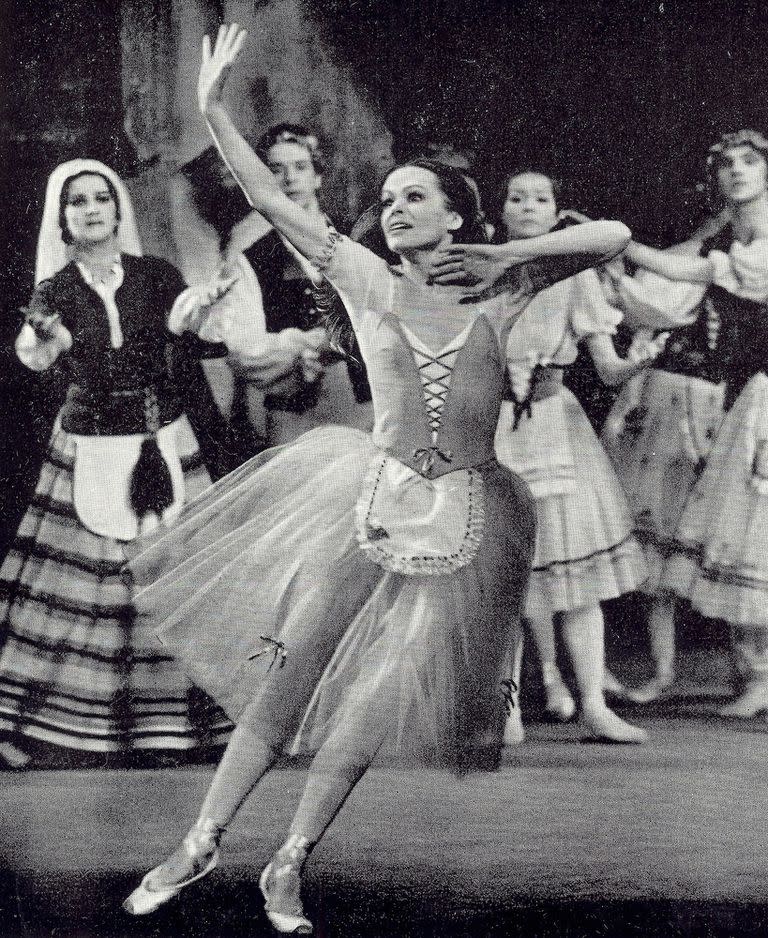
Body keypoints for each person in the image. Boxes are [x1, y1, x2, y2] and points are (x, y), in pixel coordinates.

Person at [122, 25, 630, 933]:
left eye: (413, 197)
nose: (393, 208)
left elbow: (615, 234)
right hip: (370, 498)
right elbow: (274, 199)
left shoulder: (497, 289)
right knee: (290, 675)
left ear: (454, 216)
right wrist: (209, 108)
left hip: (471, 514)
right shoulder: (363, 276)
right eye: (388, 198)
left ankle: (290, 862)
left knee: (376, 699)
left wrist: (514, 257)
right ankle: (200, 841)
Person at [0, 159, 234, 768]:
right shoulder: (54, 291)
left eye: (101, 198)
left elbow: (181, 331)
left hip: (162, 441)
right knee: (86, 592)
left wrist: (192, 315)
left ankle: (167, 731)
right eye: (77, 202)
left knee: (170, 581)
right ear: (63, 217)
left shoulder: (155, 274)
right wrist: (45, 341)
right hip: (91, 446)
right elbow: (38, 353)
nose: (92, 209)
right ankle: (49, 729)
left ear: (118, 207)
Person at [433, 168, 658, 744]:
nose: (529, 206)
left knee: (577, 577)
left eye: (542, 197)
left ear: (557, 209)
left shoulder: (573, 276)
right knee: (504, 578)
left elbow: (605, 364)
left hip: (554, 430)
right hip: (492, 429)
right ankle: (504, 710)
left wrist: (635, 362)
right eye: (517, 198)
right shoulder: (482, 272)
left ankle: (593, 703)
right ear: (501, 211)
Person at [602, 130, 768, 705]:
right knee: (741, 532)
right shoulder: (731, 244)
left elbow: (698, 277)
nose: (737, 172)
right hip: (744, 393)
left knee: (752, 530)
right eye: (726, 165)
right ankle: (753, 675)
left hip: (757, 393)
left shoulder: (758, 248)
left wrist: (618, 247)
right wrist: (615, 255)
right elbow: (680, 284)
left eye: (749, 163)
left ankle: (758, 677)